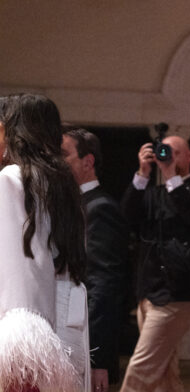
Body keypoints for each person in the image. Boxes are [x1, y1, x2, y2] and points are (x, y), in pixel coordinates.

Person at [0, 94, 89, 391]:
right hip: (62, 326)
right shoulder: (60, 183)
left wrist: (19, 360)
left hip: (28, 338)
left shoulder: (11, 179)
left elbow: (19, 275)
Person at [120, 135, 190, 392]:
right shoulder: (153, 193)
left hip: (178, 294)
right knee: (165, 372)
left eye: (175, 152)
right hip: (148, 293)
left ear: (188, 156)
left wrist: (171, 175)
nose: (169, 156)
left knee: (141, 368)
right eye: (165, 151)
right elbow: (128, 217)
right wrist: (143, 173)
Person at [62, 127, 130, 391]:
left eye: (63, 154)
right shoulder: (77, 204)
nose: (56, 162)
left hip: (87, 344)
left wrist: (98, 358)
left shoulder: (100, 208)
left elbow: (103, 285)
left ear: (87, 162)